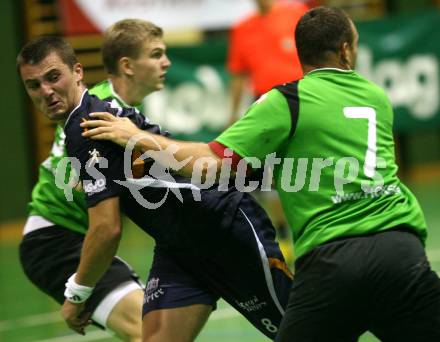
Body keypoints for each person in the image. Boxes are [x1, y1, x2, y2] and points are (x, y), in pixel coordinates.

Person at [82, 7, 440, 342]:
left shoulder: (286, 101)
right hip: (401, 251)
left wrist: (134, 136)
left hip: (334, 260)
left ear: (301, 54)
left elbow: (209, 163)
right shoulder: (375, 96)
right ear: (346, 52)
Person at [17, 28, 293, 342]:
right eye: (34, 85)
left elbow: (108, 225)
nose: (46, 91)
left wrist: (77, 294)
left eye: (53, 78)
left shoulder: (96, 121)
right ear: (127, 66)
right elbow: (104, 213)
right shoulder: (96, 119)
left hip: (222, 229)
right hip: (172, 244)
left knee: (300, 332)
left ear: (77, 72)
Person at [18, 20, 165, 342]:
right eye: (155, 55)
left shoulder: (122, 115)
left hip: (77, 237)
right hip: (55, 239)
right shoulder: (94, 114)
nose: (165, 63)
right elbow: (80, 183)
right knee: (150, 333)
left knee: (162, 331)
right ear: (128, 66)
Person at [227, 0, 309, 264]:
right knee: (270, 176)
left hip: (303, 102)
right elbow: (239, 76)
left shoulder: (297, 14)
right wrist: (232, 115)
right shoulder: (242, 28)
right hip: (265, 106)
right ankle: (285, 235)